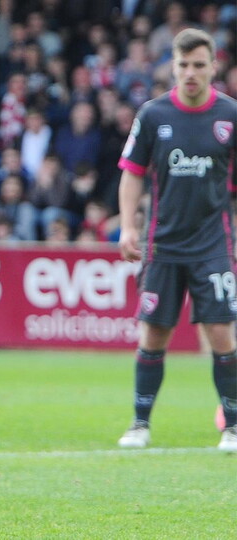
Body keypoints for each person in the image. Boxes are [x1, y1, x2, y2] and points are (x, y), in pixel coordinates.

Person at [115, 29, 237, 452]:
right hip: (163, 245)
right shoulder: (153, 115)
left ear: (213, 67)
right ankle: (139, 424)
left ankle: (233, 426)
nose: (190, 73)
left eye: (199, 65)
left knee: (221, 334)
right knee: (154, 335)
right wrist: (128, 227)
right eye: (183, 65)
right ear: (173, 66)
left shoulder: (230, 115)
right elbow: (132, 173)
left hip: (214, 244)